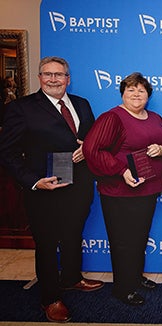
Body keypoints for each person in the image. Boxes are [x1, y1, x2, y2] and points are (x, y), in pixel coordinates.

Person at [0, 56, 104, 323]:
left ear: (68, 78)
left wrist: (86, 149)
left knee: (72, 234)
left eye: (59, 74)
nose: (54, 79)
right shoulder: (21, 108)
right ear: (39, 78)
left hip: (79, 183)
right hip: (44, 188)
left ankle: (71, 278)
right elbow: (7, 152)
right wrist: (33, 181)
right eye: (48, 74)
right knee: (46, 244)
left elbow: (90, 138)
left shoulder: (82, 104)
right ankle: (50, 298)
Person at [82, 72, 162, 306]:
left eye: (141, 90)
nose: (136, 94)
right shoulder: (112, 118)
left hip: (148, 190)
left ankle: (135, 277)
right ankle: (122, 288)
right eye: (131, 90)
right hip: (119, 192)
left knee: (139, 238)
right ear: (122, 93)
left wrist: (161, 149)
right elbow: (93, 150)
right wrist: (122, 171)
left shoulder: (155, 118)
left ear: (148, 95)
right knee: (122, 241)